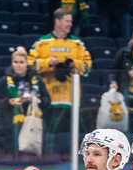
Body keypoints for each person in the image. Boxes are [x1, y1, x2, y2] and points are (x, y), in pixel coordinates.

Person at [27, 9, 92, 139]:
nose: (70, 24)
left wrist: (74, 64)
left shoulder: (77, 43)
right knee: (49, 137)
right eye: (67, 21)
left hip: (71, 99)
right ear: (57, 21)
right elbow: (30, 65)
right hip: (48, 98)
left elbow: (87, 67)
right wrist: (48, 63)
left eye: (71, 21)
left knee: (71, 138)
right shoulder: (42, 42)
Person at [0, 47, 51, 150]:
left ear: (27, 63)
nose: (18, 65)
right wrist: (8, 102)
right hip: (10, 124)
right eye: (16, 62)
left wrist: (35, 101)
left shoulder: (37, 80)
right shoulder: (4, 81)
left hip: (33, 124)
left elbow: (47, 101)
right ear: (12, 63)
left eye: (21, 62)